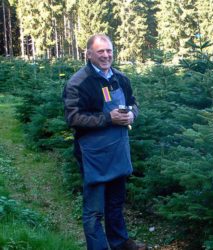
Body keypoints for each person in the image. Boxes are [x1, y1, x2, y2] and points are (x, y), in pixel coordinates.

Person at [63, 34, 146, 250]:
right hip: (94, 155)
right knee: (93, 211)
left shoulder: (121, 78)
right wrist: (108, 118)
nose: (106, 55)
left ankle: (119, 242)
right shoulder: (78, 83)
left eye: (109, 50)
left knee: (116, 204)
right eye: (100, 51)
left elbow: (133, 103)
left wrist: (132, 115)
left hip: (118, 151)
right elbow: (73, 118)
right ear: (89, 54)